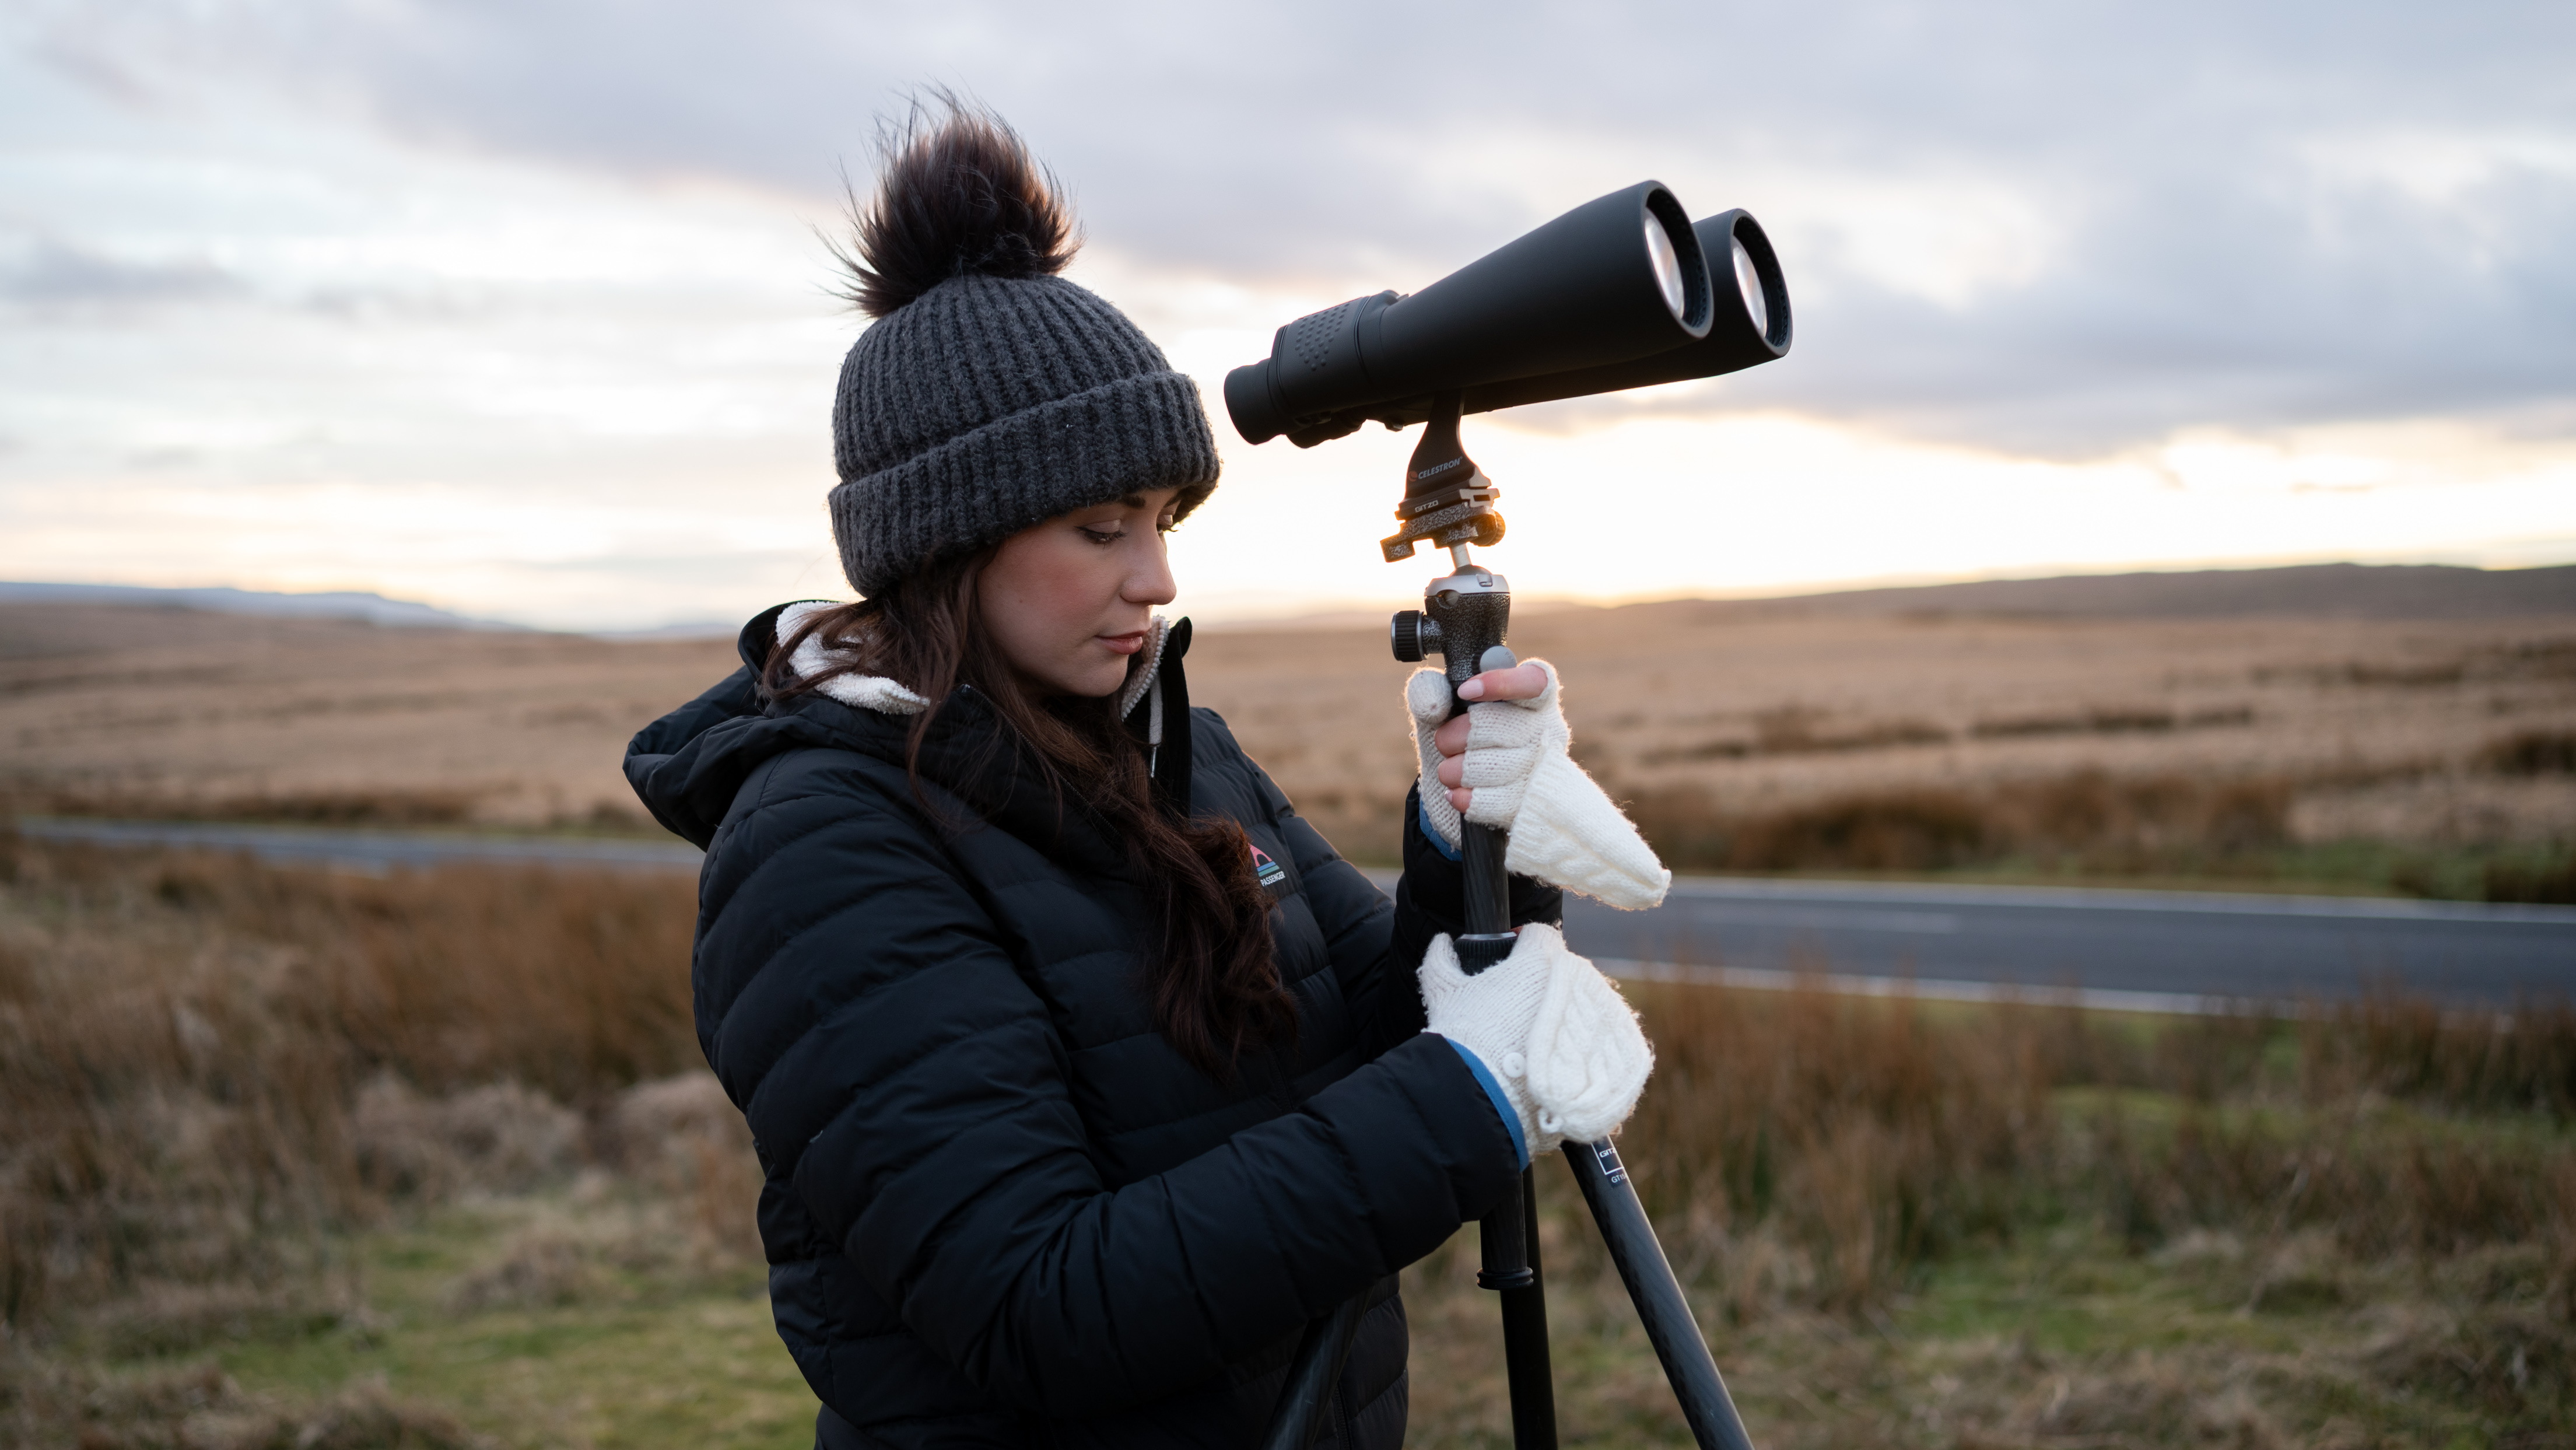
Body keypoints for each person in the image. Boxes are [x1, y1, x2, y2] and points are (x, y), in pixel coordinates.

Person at [624, 100, 1669, 1450]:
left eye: (1164, 521)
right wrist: (1471, 1094)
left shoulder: (1183, 751)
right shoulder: (822, 844)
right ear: (949, 544)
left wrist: (1467, 840)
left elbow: (1389, 1033)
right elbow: (1038, 1303)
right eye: (1100, 526)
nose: (1157, 578)